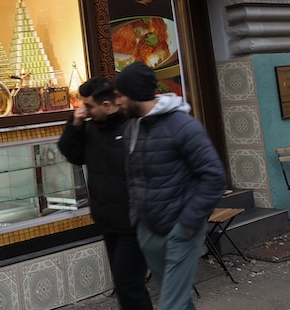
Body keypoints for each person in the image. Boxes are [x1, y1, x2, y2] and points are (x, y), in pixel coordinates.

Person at [113, 62, 227, 310]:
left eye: (120, 95)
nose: (117, 102)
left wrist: (187, 224)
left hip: (180, 230)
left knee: (171, 306)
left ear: (134, 94)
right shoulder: (132, 128)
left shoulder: (183, 126)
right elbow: (132, 176)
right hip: (149, 230)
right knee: (177, 300)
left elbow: (214, 176)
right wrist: (138, 220)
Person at [58, 77, 153, 310]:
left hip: (134, 222)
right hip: (108, 219)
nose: (83, 111)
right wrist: (74, 124)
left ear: (107, 105)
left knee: (127, 284)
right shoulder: (92, 128)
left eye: (88, 106)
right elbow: (72, 154)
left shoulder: (132, 127)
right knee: (126, 285)